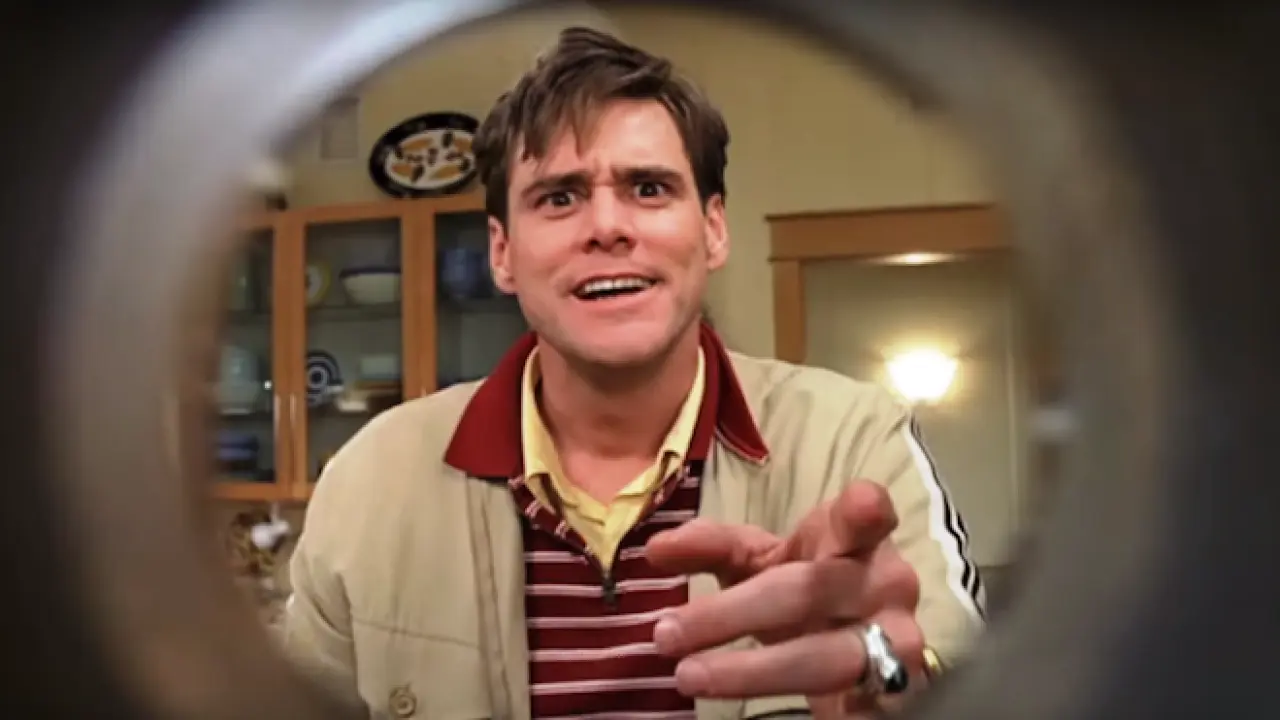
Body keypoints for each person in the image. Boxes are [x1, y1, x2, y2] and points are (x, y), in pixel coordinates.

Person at [281, 26, 985, 720]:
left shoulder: (855, 441)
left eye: (648, 188)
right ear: (502, 253)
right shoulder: (370, 481)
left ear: (714, 229)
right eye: (559, 197)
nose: (607, 227)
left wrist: (893, 685)